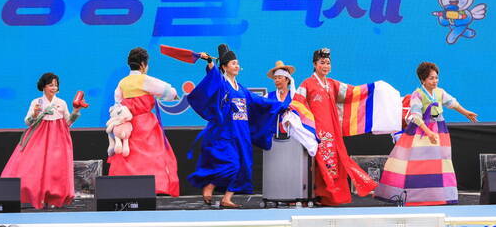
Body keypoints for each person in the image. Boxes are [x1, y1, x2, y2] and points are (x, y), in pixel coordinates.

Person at [187, 44, 286, 208]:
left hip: (241, 133)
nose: (237, 65)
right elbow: (213, 77)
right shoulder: (222, 84)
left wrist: (279, 105)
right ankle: (210, 185)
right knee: (230, 164)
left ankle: (226, 198)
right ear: (224, 67)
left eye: (237, 63)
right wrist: (210, 62)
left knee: (243, 166)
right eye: (233, 63)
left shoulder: (241, 89)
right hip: (225, 133)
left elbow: (260, 101)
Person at [375, 61, 478, 206]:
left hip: (439, 130)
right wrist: (428, 132)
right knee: (417, 164)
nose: (435, 81)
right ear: (423, 79)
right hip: (420, 132)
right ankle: (414, 197)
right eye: (431, 78)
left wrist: (466, 113)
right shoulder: (417, 95)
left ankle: (439, 196)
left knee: (441, 163)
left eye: (436, 77)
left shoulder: (439, 92)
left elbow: (452, 103)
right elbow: (416, 116)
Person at [292, 48, 380, 206]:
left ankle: (333, 196)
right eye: (322, 63)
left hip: (333, 130)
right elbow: (297, 103)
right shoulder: (307, 84)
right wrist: (305, 124)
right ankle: (320, 195)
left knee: (338, 161)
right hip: (317, 131)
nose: (325, 66)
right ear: (314, 64)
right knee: (320, 163)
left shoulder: (332, 84)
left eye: (328, 63)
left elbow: (353, 92)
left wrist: (373, 88)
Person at [1, 72, 81, 209]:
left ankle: (54, 198)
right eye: (50, 85)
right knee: (35, 166)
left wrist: (75, 111)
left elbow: (68, 122)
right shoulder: (36, 102)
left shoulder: (61, 103)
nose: (54, 88)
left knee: (55, 168)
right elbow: (28, 122)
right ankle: (36, 196)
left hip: (58, 139)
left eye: (56, 85)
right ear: (43, 86)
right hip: (38, 137)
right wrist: (35, 114)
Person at [107, 47, 180, 197]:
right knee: (153, 156)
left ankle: (124, 188)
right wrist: (172, 97)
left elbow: (117, 104)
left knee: (127, 157)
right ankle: (156, 187)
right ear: (142, 64)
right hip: (146, 124)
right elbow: (170, 92)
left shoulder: (122, 83)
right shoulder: (144, 80)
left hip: (127, 125)